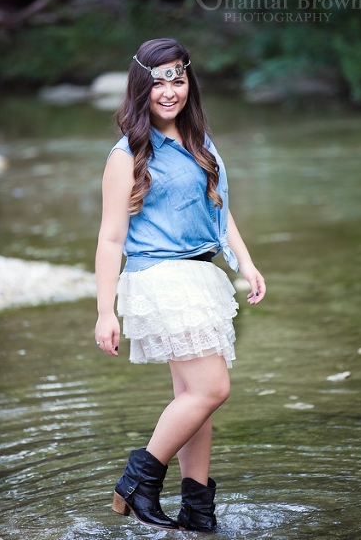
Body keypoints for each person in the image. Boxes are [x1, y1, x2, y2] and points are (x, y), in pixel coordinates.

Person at [94, 37, 266, 530]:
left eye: (178, 78)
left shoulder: (200, 142)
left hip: (201, 273)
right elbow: (110, 239)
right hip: (161, 277)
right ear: (139, 87)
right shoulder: (126, 154)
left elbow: (220, 209)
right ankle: (138, 479)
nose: (169, 90)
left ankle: (197, 510)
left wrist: (245, 263)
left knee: (195, 399)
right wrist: (106, 311)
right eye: (158, 81)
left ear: (189, 81)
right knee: (212, 388)